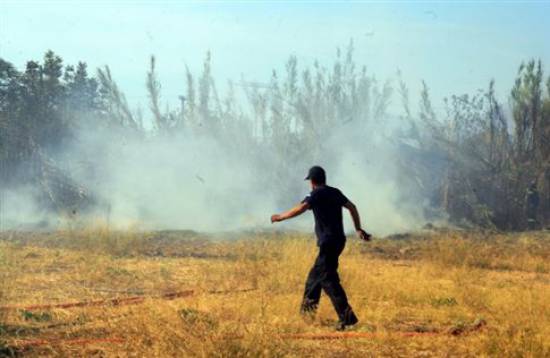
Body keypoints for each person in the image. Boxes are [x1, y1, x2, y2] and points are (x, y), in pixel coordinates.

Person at [270, 165, 371, 330]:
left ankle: (347, 318)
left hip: (328, 241)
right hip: (338, 240)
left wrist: (281, 217)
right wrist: (358, 228)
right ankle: (306, 317)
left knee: (327, 279)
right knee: (314, 279)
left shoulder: (315, 194)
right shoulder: (335, 192)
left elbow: (301, 208)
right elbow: (352, 207)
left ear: (312, 181)